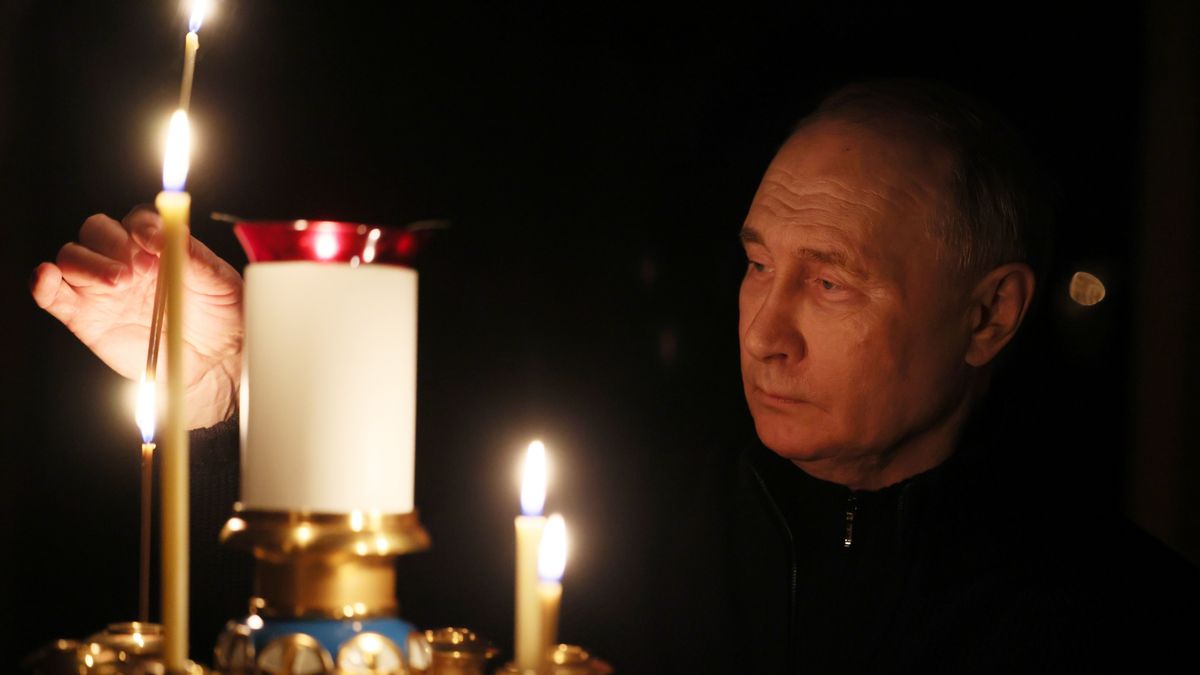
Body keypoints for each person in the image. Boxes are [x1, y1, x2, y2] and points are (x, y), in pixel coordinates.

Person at [32, 79, 1196, 672]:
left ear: (989, 315)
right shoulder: (603, 535)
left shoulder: (1108, 620)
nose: (767, 330)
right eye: (755, 265)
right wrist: (245, 383)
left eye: (833, 284)